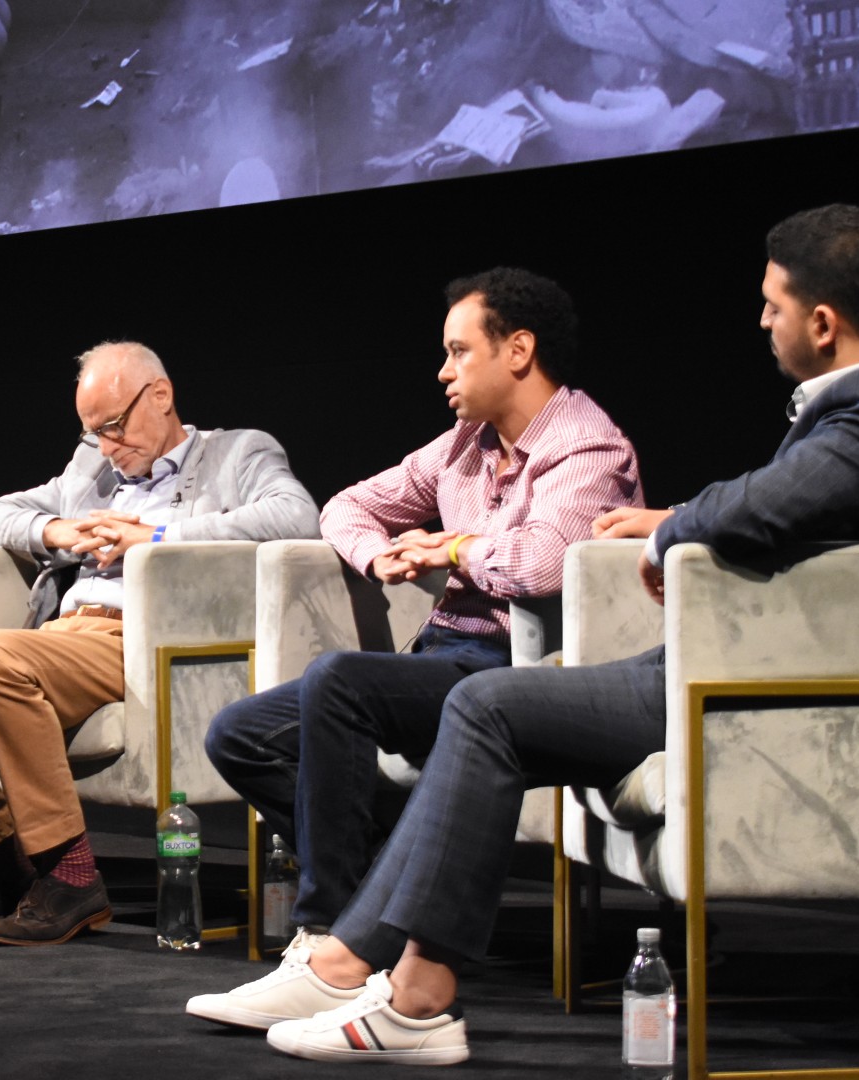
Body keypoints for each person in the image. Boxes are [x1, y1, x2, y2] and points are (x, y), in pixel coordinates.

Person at [198, 204, 859, 1065]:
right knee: (462, 710)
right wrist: (678, 520)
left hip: (760, 687)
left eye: (773, 305)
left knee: (486, 704)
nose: (763, 321)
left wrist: (674, 528)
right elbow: (785, 497)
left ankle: (389, 985)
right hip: (728, 667)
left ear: (822, 323)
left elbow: (765, 499)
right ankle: (372, 971)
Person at [188, 268, 642, 1029]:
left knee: (339, 681)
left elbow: (539, 566)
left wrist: (454, 547)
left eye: (459, 352)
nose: (443, 371)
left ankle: (330, 938)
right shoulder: (465, 445)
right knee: (241, 733)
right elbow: (349, 505)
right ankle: (383, 902)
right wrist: (383, 557)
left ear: (519, 350)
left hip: (519, 671)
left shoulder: (586, 450)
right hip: (440, 653)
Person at [0, 340, 321, 946]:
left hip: (143, 640)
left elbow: (295, 518)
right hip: (64, 635)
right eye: (94, 432)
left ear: (160, 397)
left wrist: (154, 536)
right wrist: (52, 529)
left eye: (114, 426)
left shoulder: (237, 452)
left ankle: (70, 875)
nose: (107, 446)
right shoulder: (92, 468)